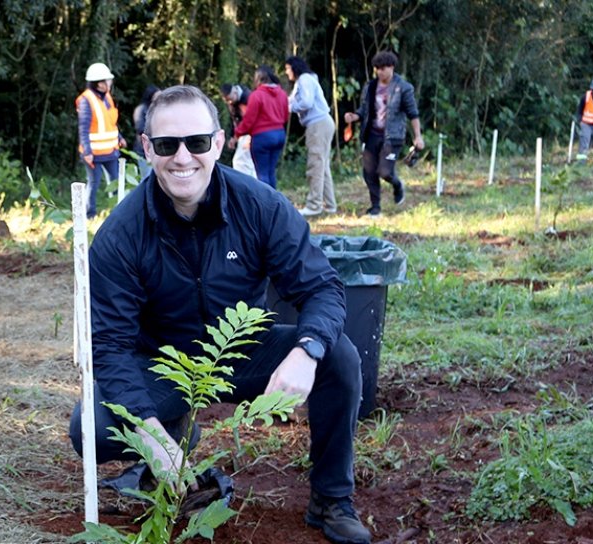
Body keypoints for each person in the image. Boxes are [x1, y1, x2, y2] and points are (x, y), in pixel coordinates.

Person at [68, 85, 371, 544]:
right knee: (92, 427)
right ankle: (170, 440)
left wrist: (305, 352)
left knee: (338, 357)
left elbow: (322, 288)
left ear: (220, 142)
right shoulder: (120, 236)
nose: (182, 157)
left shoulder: (261, 207)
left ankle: (331, 499)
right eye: (167, 145)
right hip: (164, 366)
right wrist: (151, 436)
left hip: (241, 350)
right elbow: (109, 346)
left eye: (196, 142)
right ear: (147, 148)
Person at [344, 51, 424, 216]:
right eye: (377, 68)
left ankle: (397, 184)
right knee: (369, 172)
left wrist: (418, 136)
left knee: (384, 172)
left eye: (383, 68)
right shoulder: (370, 86)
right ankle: (375, 207)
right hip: (371, 134)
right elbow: (364, 109)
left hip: (392, 137)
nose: (380, 72)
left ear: (392, 67)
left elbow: (413, 114)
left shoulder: (403, 88)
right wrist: (354, 116)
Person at [285, 56, 337, 216]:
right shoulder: (305, 80)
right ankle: (330, 205)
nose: (286, 72)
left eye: (287, 68)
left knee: (315, 165)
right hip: (322, 123)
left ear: (294, 68)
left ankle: (314, 206)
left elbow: (306, 102)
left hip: (318, 125)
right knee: (322, 166)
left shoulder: (305, 79)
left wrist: (290, 107)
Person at [75, 62, 126, 218]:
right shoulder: (86, 100)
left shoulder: (107, 98)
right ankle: (89, 214)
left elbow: (110, 123)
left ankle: (118, 212)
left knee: (116, 181)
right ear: (97, 83)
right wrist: (87, 152)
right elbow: (83, 128)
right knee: (93, 183)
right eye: (106, 81)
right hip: (93, 154)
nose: (109, 83)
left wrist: (119, 137)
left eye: (109, 80)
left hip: (110, 151)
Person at [231, 66, 289, 188]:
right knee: (271, 172)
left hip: (262, 137)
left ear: (258, 79)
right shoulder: (283, 94)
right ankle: (273, 198)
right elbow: (285, 117)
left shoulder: (256, 95)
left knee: (262, 174)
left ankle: (264, 199)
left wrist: (237, 134)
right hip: (279, 134)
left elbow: (249, 121)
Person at [219, 83, 257, 178]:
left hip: (251, 133)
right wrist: (233, 137)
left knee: (240, 161)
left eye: (230, 99)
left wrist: (251, 138)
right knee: (248, 163)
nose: (229, 102)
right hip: (242, 134)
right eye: (227, 101)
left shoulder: (248, 99)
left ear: (235, 92)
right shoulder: (233, 103)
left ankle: (243, 182)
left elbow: (253, 120)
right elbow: (235, 121)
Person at [133, 84, 160, 179]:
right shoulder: (141, 109)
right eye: (157, 96)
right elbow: (139, 128)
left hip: (156, 148)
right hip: (143, 149)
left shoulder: (159, 109)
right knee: (146, 176)